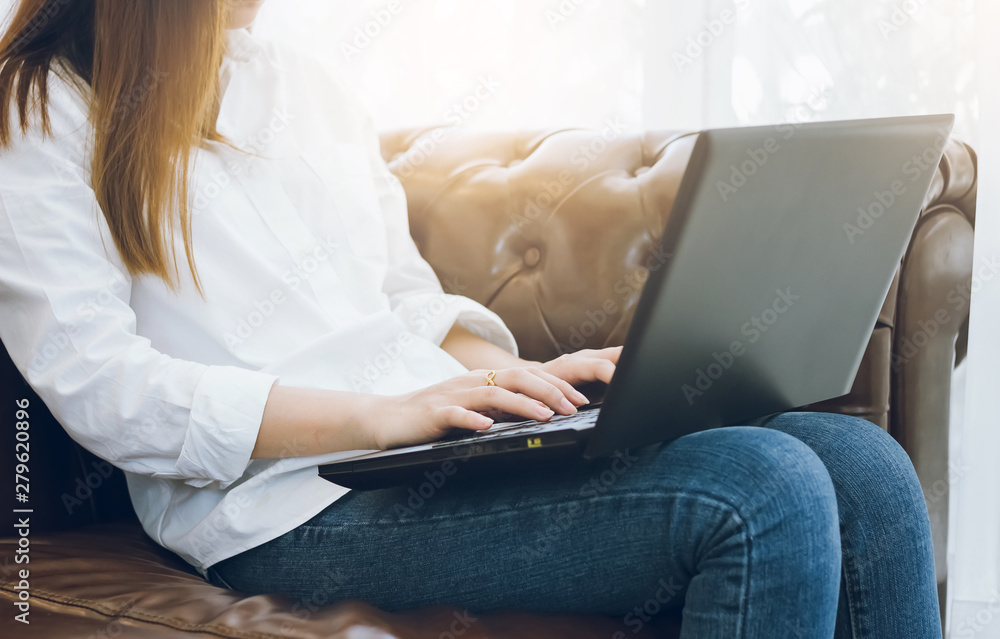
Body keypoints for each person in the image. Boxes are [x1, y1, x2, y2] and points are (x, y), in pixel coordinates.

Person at [0, 1, 942, 637]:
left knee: (862, 462)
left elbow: (402, 293)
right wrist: (371, 416)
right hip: (281, 504)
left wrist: (514, 376)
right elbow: (102, 385)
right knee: (759, 485)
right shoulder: (39, 110)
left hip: (424, 448)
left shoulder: (301, 86)